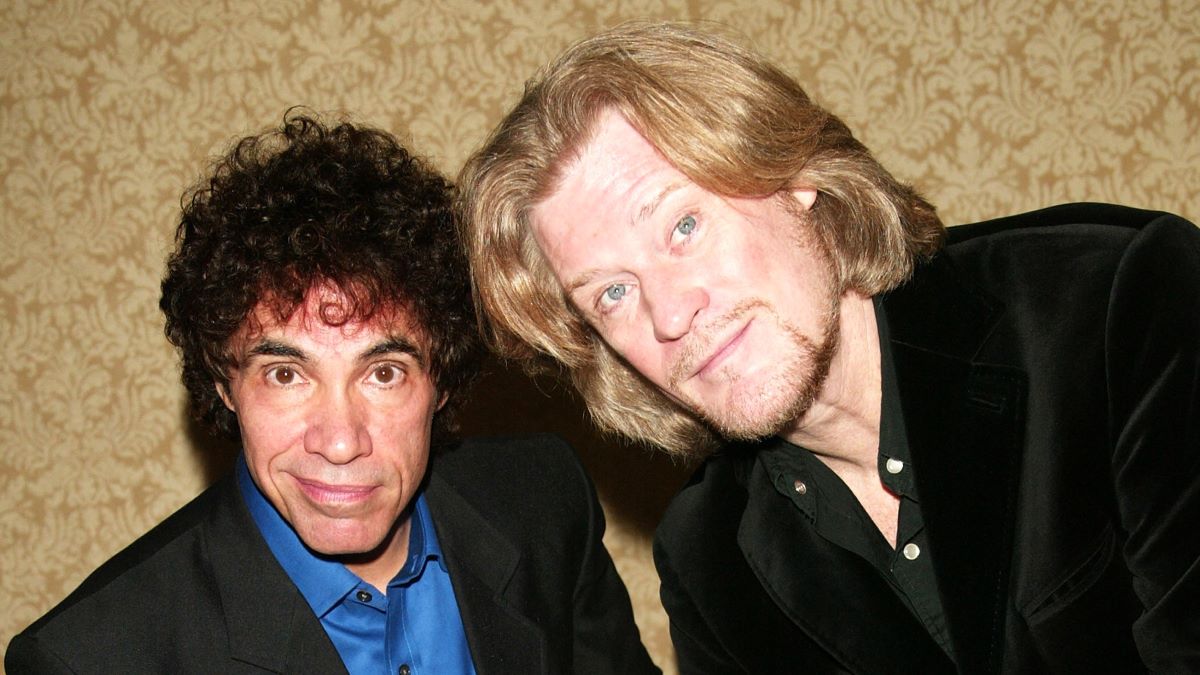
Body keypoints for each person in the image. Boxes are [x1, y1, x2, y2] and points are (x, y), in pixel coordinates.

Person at [456, 22, 1200, 673]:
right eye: (611, 294)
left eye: (682, 226)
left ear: (792, 172)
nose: (672, 313)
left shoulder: (1118, 305)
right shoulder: (710, 562)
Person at [6, 111, 658, 675]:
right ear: (222, 382)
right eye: (286, 374)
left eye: (384, 372)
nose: (341, 440)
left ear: (442, 377)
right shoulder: (90, 657)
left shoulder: (540, 501)